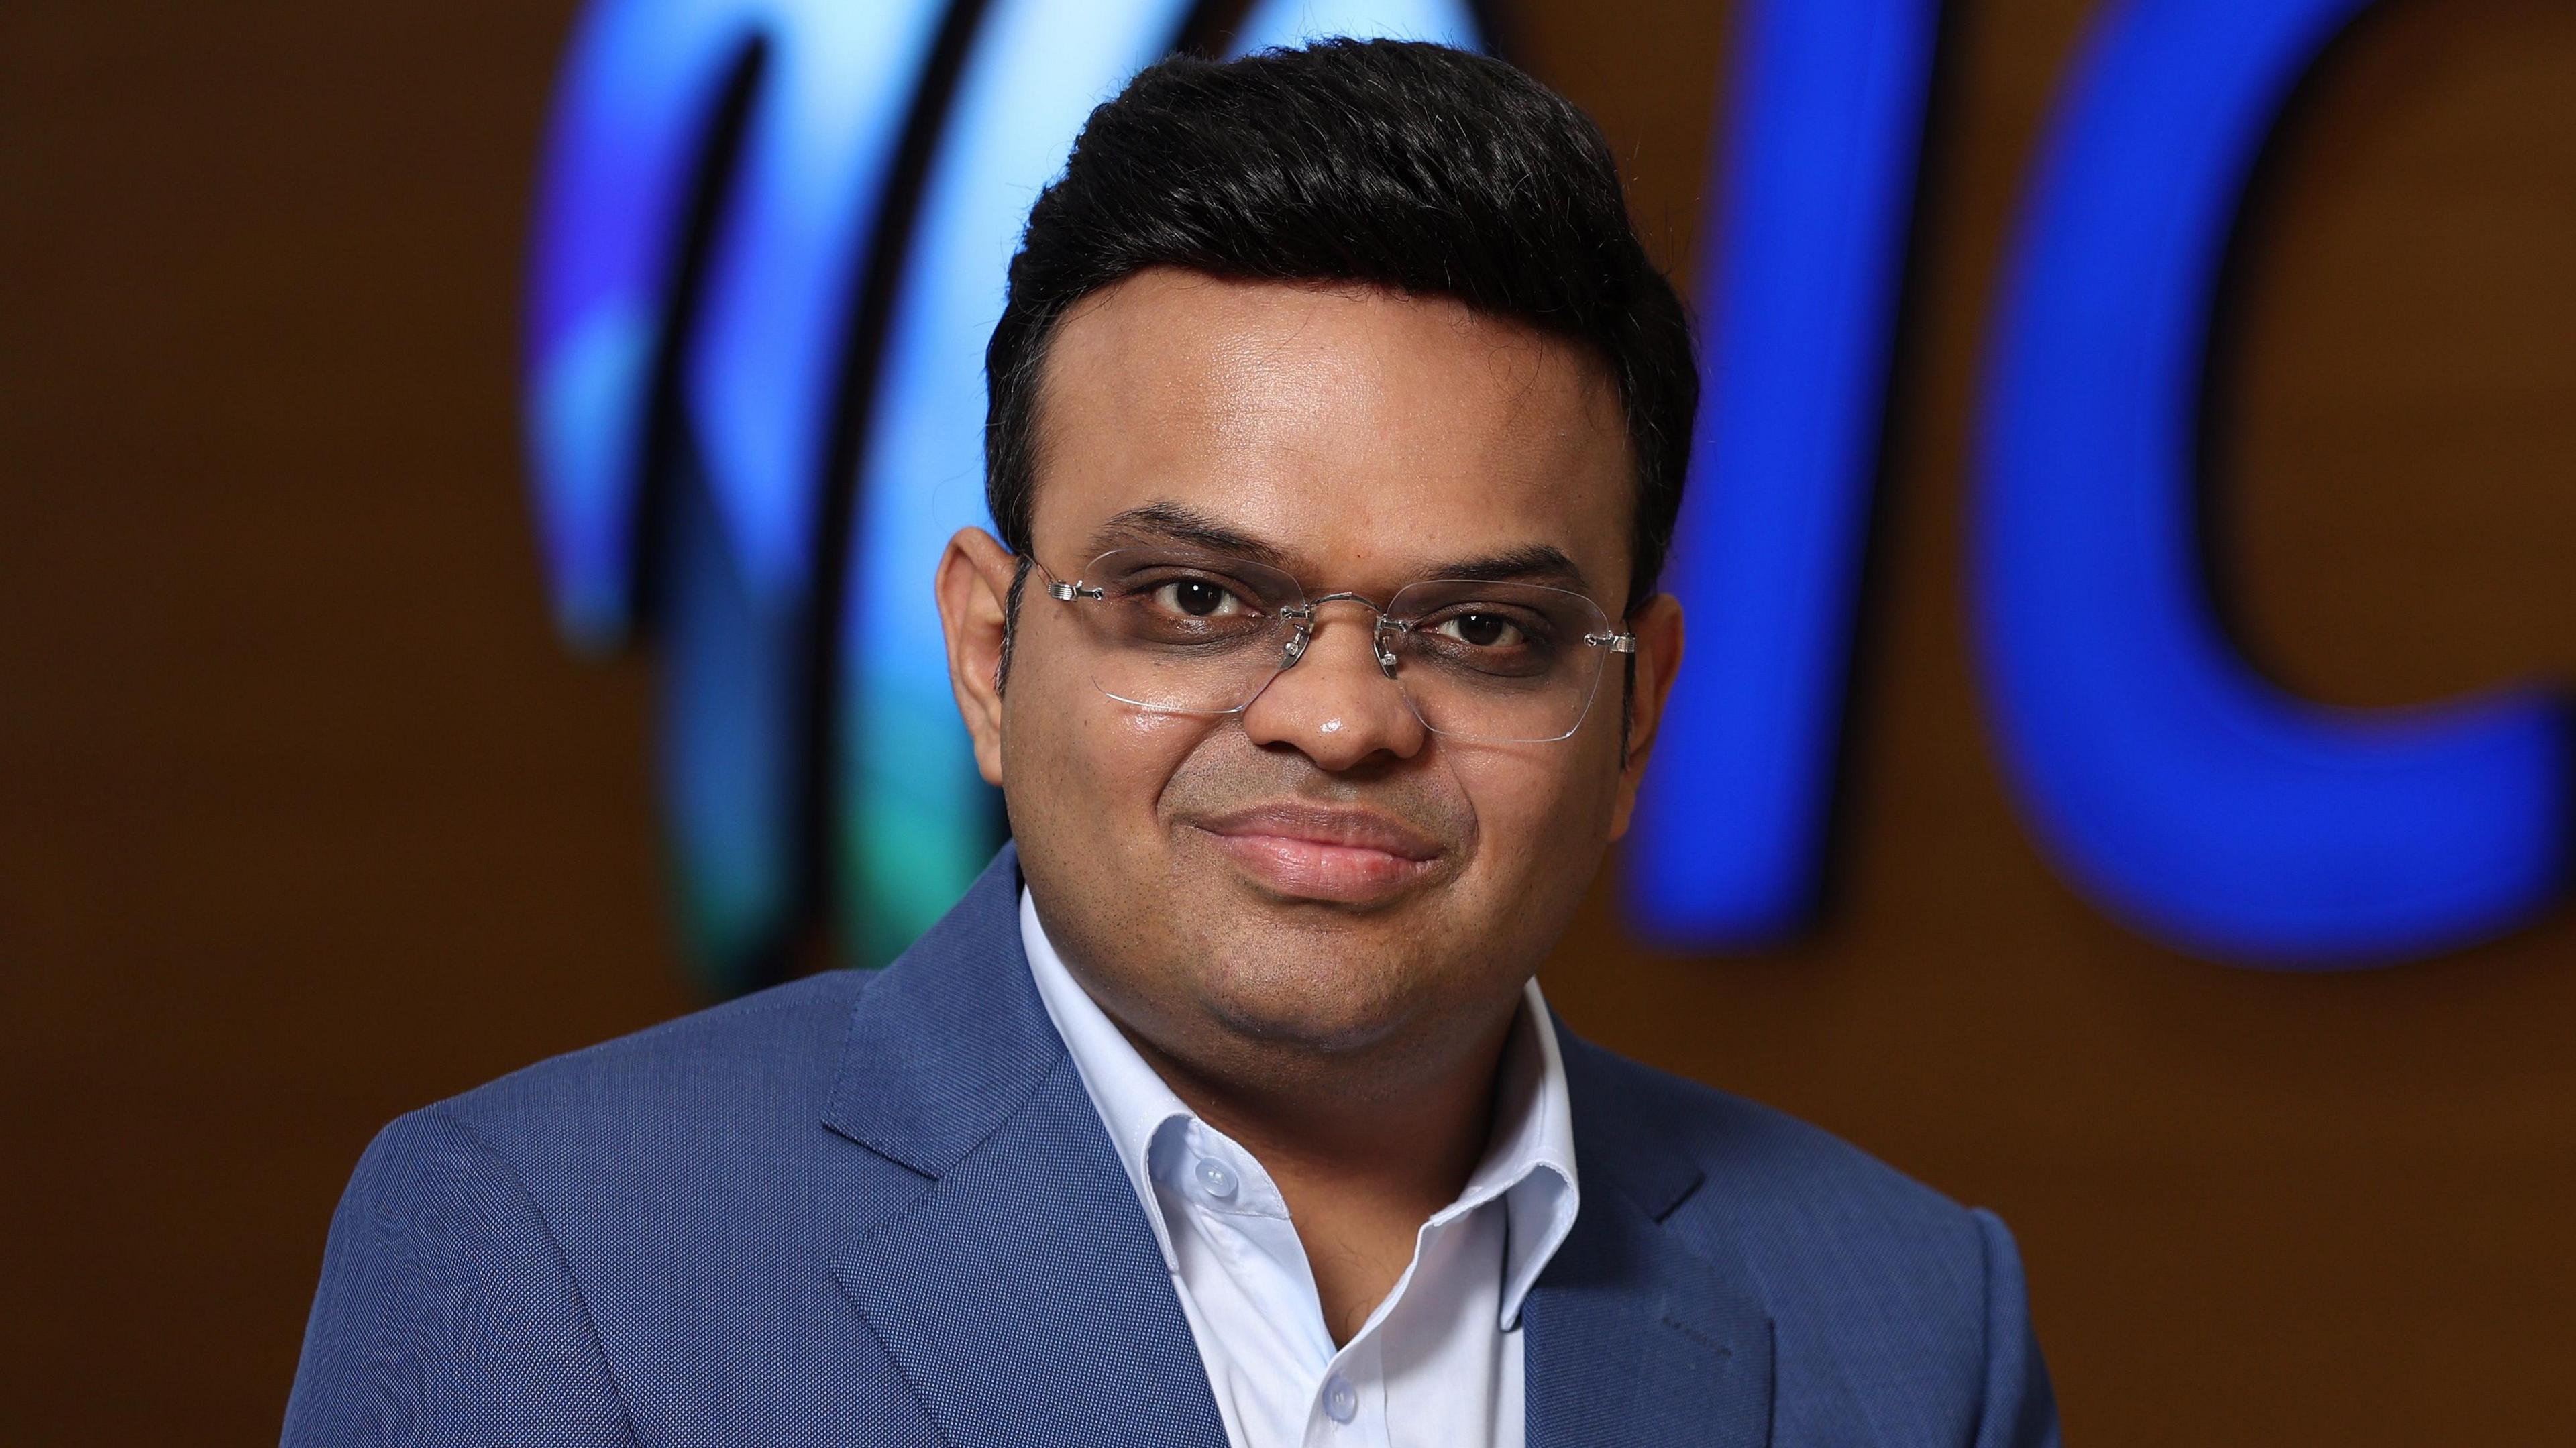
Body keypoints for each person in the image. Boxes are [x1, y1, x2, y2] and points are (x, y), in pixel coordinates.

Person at [284, 38, 2057, 1447]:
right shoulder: (552, 1246)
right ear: (987, 651)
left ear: (1634, 715)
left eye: (1486, 633)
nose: (1345, 717)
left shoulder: (1908, 1321)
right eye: (1200, 602)